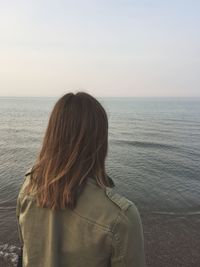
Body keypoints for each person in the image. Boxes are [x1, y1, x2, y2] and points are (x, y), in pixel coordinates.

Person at [16, 92, 146, 267]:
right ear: (100, 140)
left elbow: (26, 247)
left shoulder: (28, 188)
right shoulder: (120, 217)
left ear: (52, 135)